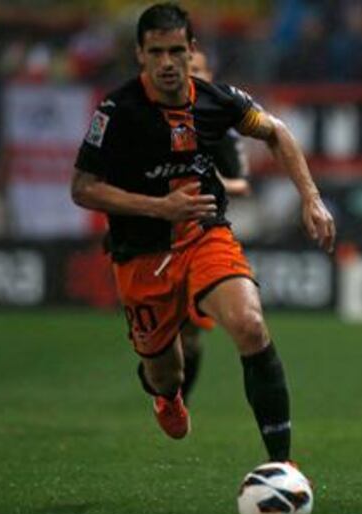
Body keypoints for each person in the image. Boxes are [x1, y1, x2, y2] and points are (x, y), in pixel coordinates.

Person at [71, 3, 335, 468]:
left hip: (203, 236)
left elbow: (276, 132)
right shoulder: (117, 111)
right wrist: (159, 207)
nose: (168, 63)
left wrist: (311, 197)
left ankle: (283, 465)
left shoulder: (218, 100)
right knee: (166, 371)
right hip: (140, 254)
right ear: (140, 55)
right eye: (158, 52)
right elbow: (83, 189)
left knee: (250, 326)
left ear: (192, 50)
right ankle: (166, 394)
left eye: (177, 50)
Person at [178, 48, 252, 405]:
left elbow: (242, 181)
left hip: (202, 233)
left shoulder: (219, 123)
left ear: (208, 74)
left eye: (196, 68)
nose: (189, 74)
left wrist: (208, 181)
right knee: (158, 341)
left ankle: (179, 402)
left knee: (189, 333)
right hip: (153, 235)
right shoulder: (150, 115)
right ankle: (166, 393)